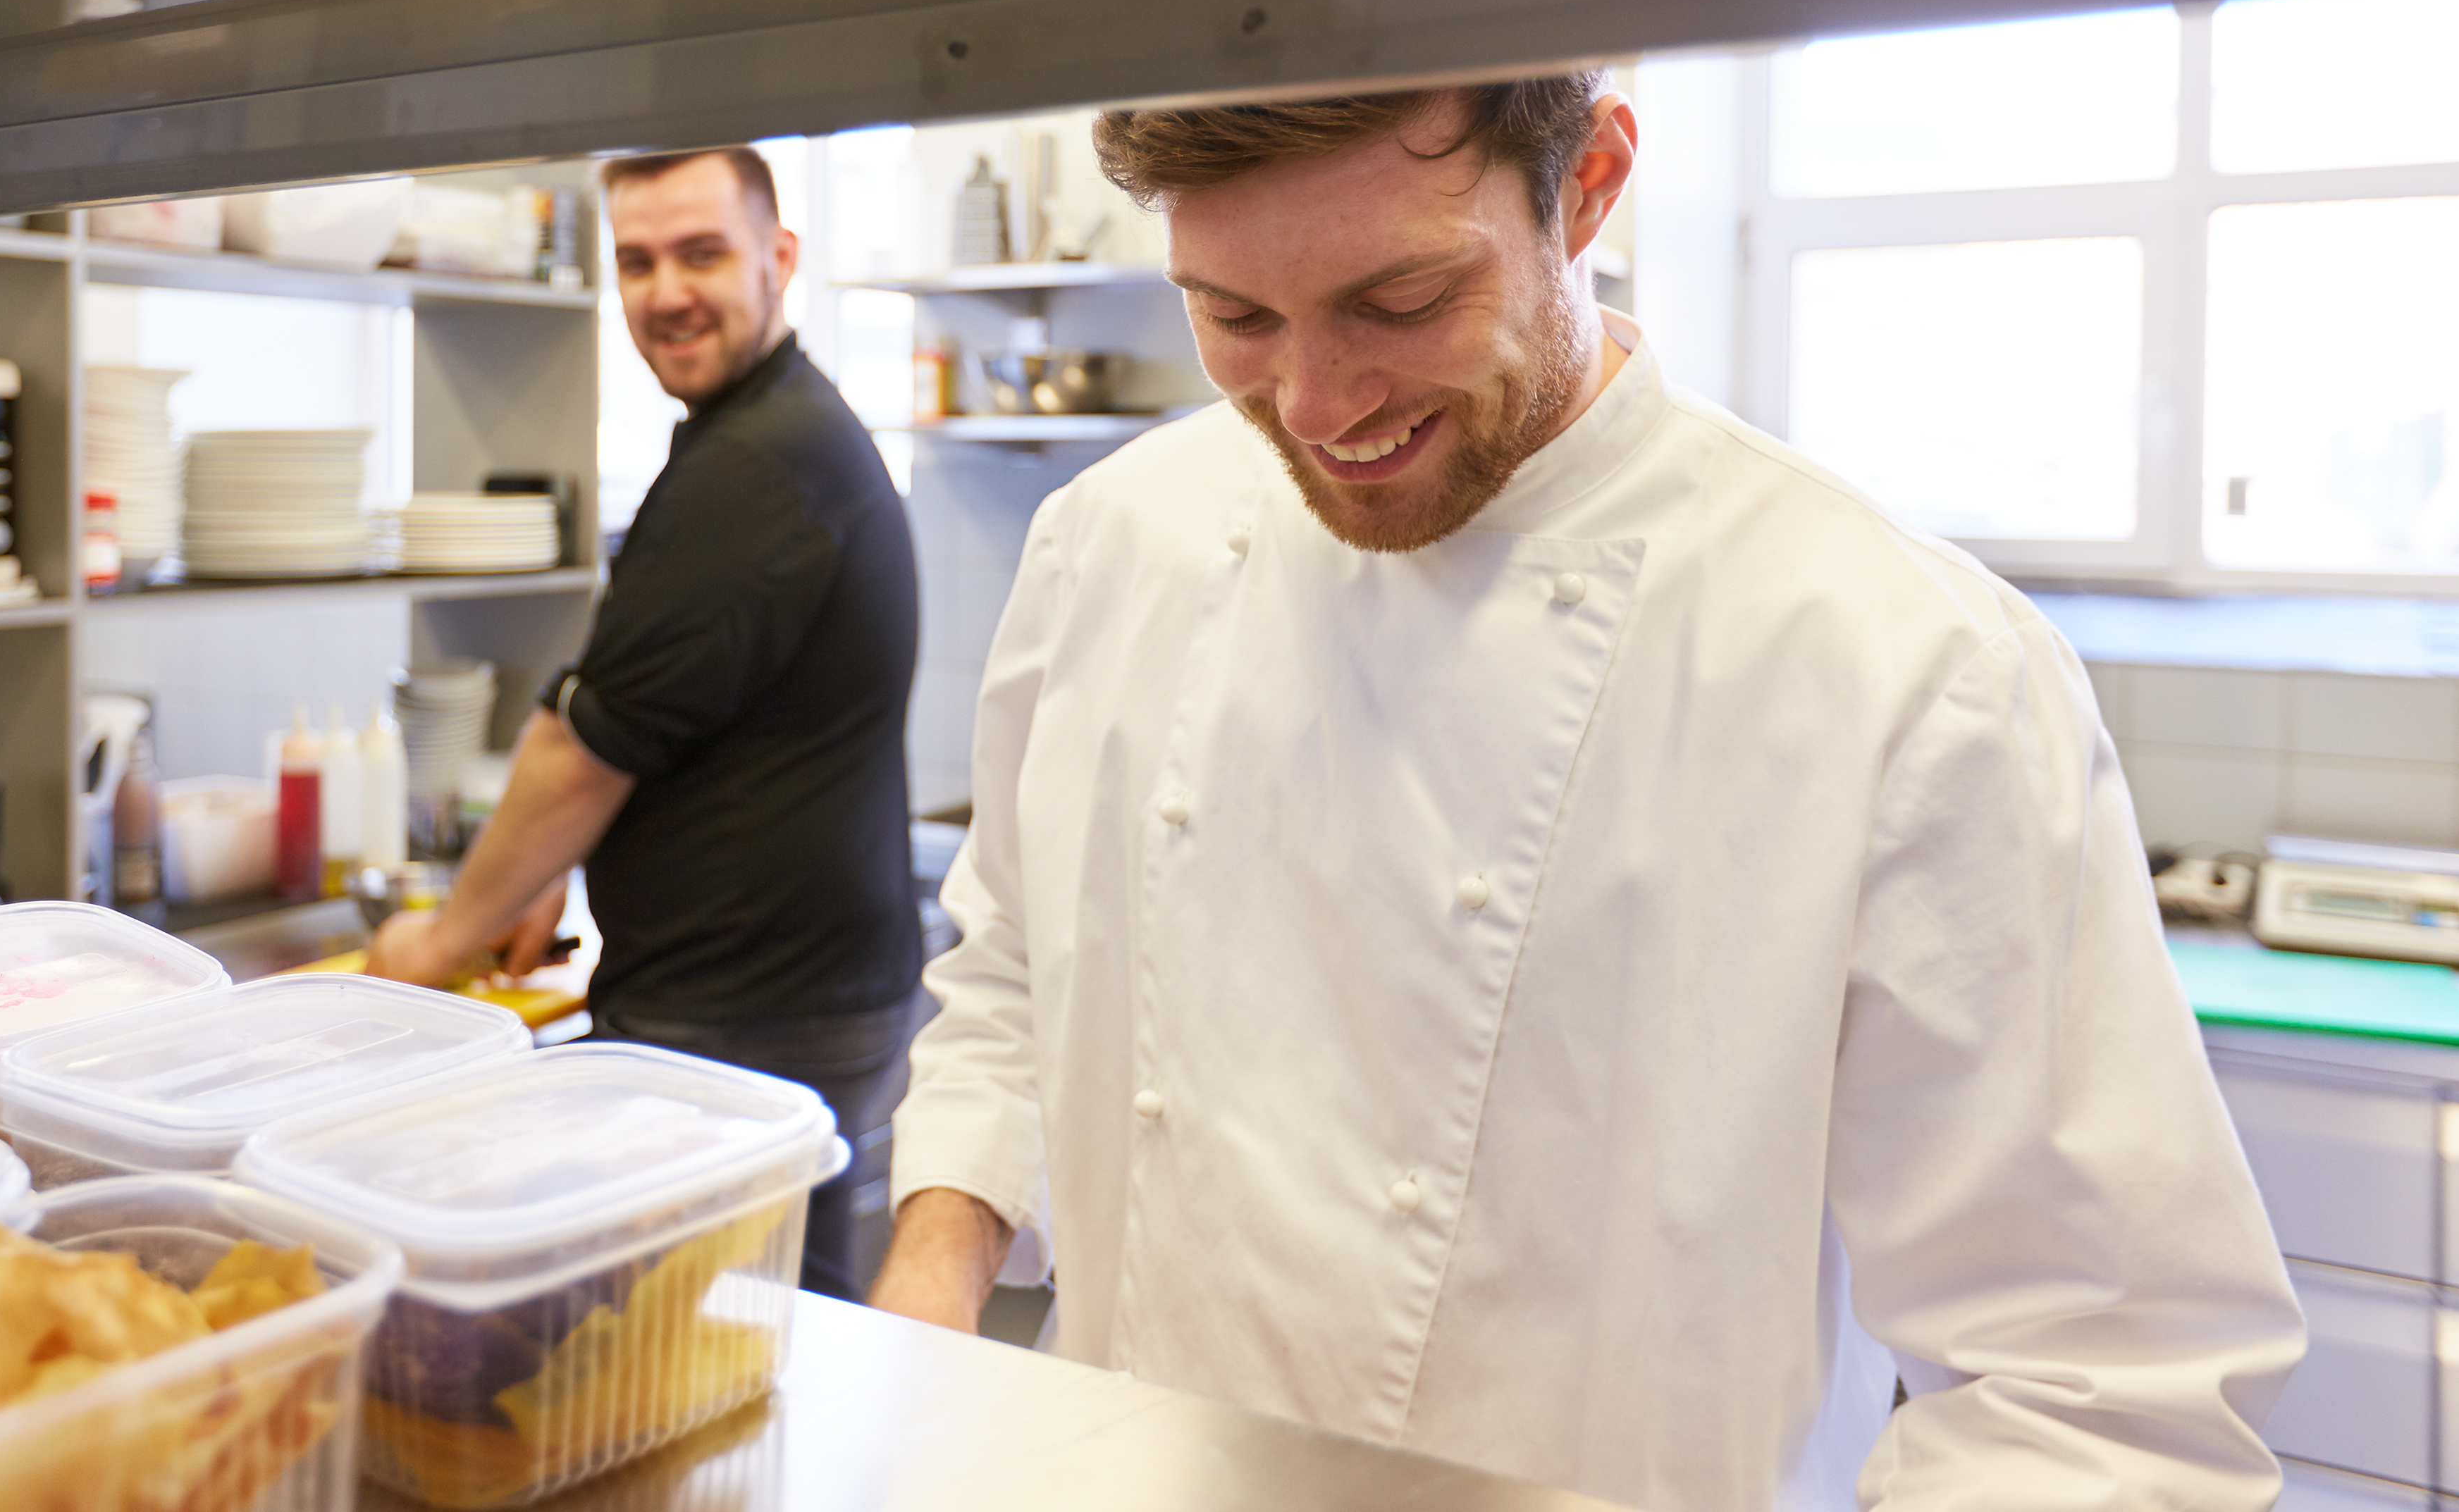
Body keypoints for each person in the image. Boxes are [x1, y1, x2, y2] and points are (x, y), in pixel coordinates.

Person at [872, 78, 2305, 1511]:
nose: (1312, 402)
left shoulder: (1899, 663)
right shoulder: (1114, 538)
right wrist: (924, 1318)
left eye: (1398, 297)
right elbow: (1010, 974)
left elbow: (2092, 1397)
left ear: (1589, 185)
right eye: (1233, 315)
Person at [368, 145, 923, 1302]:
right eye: (637, 261)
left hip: (746, 1011)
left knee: (713, 1360)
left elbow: (585, 748)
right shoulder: (759, 436)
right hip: (782, 992)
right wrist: (531, 881)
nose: (666, 291)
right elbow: (644, 700)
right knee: (743, 1347)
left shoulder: (761, 465)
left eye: (703, 253)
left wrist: (438, 938)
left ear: (780, 259)